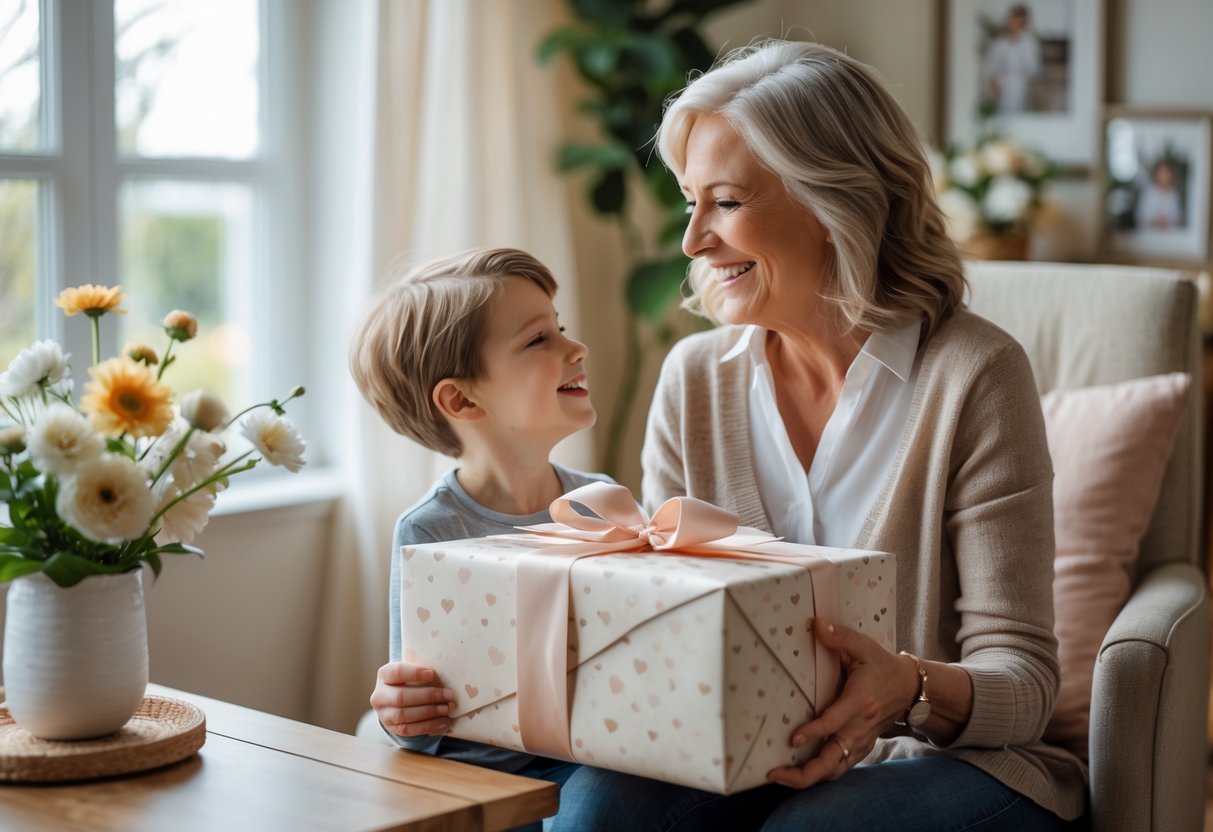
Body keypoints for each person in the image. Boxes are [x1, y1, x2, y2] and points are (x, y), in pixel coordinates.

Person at [551, 40, 1085, 831]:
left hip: (952, 763)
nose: (693, 241)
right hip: (747, 754)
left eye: (725, 203)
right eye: (689, 202)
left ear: (837, 206)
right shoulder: (692, 379)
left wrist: (902, 686)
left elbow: (1023, 688)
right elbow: (662, 625)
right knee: (598, 809)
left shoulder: (974, 375)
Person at [348, 247, 611, 831]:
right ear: (462, 399)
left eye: (559, 328)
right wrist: (399, 712)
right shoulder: (430, 530)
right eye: (538, 340)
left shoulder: (603, 503)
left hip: (595, 760)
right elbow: (418, 724)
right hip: (480, 782)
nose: (576, 349)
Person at [981, 4, 1041, 114]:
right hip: (1002, 89)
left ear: (1023, 23)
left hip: (1021, 88)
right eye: (1012, 18)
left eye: (1019, 20)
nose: (1014, 23)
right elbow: (989, 68)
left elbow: (1034, 69)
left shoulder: (1029, 44)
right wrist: (993, 81)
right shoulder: (999, 43)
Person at [1135, 158, 1184, 230]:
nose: (1164, 175)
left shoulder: (1174, 194)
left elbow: (1178, 217)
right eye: (1161, 172)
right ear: (1156, 174)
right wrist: (1155, 221)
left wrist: (1167, 221)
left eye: (1166, 172)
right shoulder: (1149, 192)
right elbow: (1141, 215)